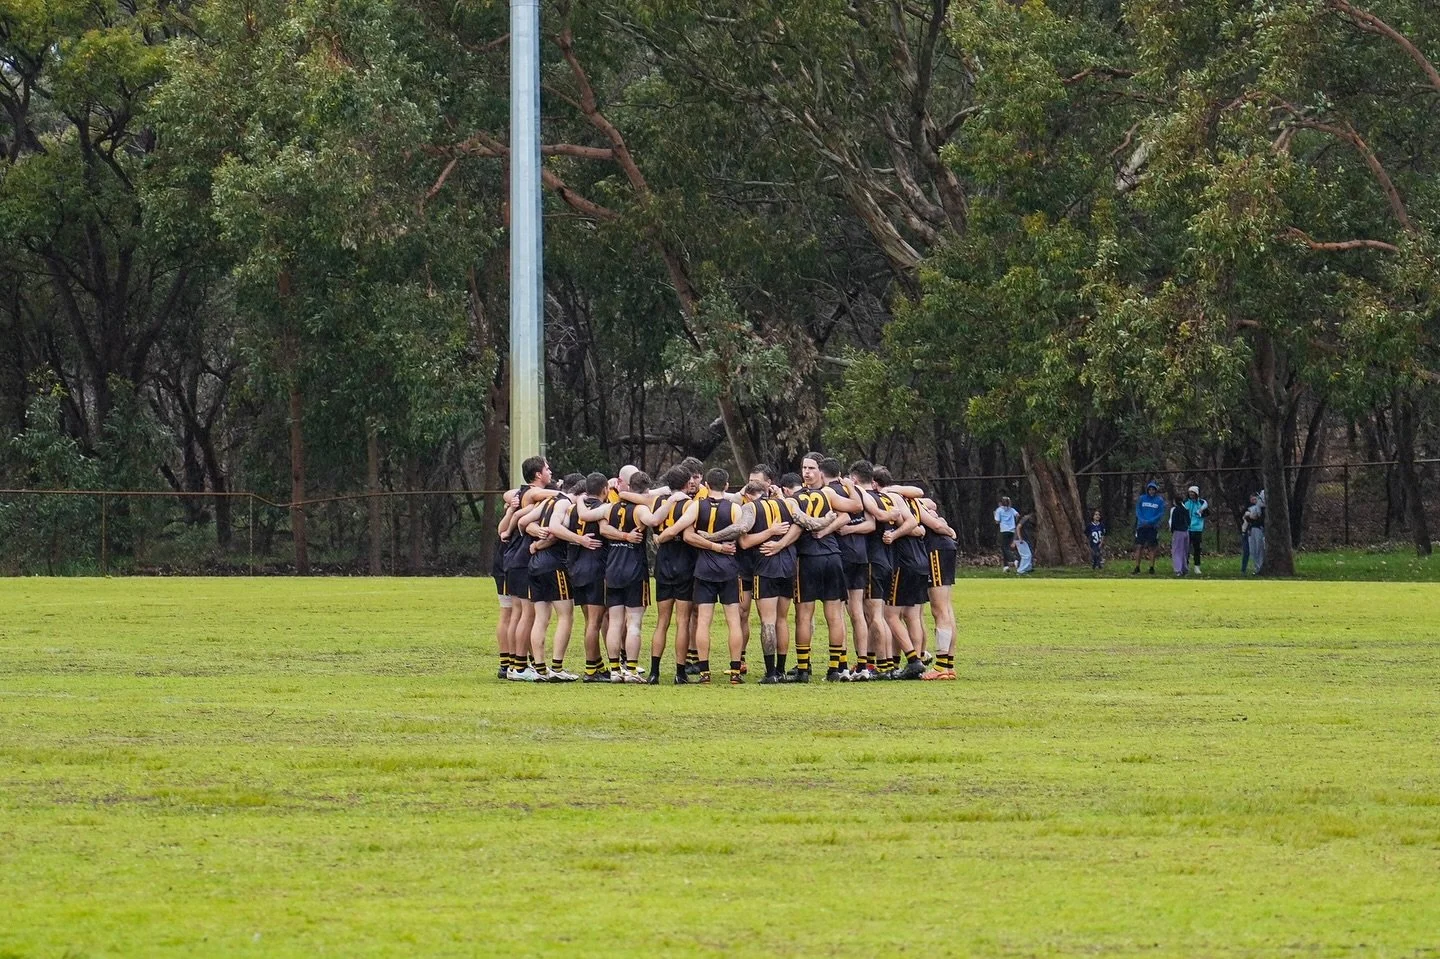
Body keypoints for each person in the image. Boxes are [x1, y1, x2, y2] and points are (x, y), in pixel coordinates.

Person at [674, 469, 754, 684]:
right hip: (729, 569)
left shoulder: (696, 506)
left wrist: (711, 545)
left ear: (706, 485)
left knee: (703, 622)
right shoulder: (735, 508)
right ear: (727, 486)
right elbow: (742, 536)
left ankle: (704, 673)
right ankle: (735, 672)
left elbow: (687, 536)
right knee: (733, 620)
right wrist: (722, 546)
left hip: (704, 569)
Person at [738, 480, 800, 683]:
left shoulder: (749, 507)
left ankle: (771, 673)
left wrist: (770, 533)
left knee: (768, 621)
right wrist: (782, 544)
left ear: (748, 495)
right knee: (782, 619)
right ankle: (781, 670)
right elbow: (801, 525)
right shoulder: (788, 503)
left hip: (765, 568)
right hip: (788, 567)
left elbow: (745, 542)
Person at [1132, 481, 1165, 574]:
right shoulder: (1142, 499)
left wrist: (1151, 521)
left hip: (1152, 526)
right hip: (1141, 526)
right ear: (1147, 490)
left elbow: (1160, 513)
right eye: (1150, 489)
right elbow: (1138, 511)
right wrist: (1143, 520)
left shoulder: (1159, 500)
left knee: (1152, 547)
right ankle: (1137, 567)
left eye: (1153, 489)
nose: (1151, 491)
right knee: (1139, 546)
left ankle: (1151, 567)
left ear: (1155, 490)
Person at [1185, 485, 1209, 575]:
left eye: (1193, 492)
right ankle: (1185, 566)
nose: (1191, 494)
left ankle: (1197, 567)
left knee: (1197, 549)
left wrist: (1201, 512)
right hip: (1187, 529)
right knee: (1186, 549)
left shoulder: (1202, 503)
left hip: (1197, 529)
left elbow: (1206, 513)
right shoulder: (1186, 502)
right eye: (1190, 492)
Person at [1243, 490, 1265, 575]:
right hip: (1252, 530)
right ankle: (1257, 568)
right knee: (1253, 550)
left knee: (1259, 549)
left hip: (1259, 529)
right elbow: (1247, 517)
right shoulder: (1251, 508)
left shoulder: (1262, 509)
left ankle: (1259, 567)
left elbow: (1255, 517)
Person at [994, 496, 1019, 571]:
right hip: (1012, 530)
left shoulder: (999, 510)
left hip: (1004, 530)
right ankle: (1006, 566)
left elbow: (997, 521)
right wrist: (1014, 521)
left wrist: (995, 515)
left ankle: (1014, 560)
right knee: (1006, 547)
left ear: (1000, 503)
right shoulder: (1011, 510)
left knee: (1005, 547)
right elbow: (1017, 515)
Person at [1169, 493, 1191, 576]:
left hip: (1178, 532)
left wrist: (1172, 530)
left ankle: (1178, 569)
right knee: (1184, 551)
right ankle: (1185, 568)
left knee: (1177, 551)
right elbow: (1189, 521)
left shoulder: (1175, 510)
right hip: (1186, 532)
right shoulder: (1185, 510)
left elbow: (1173, 522)